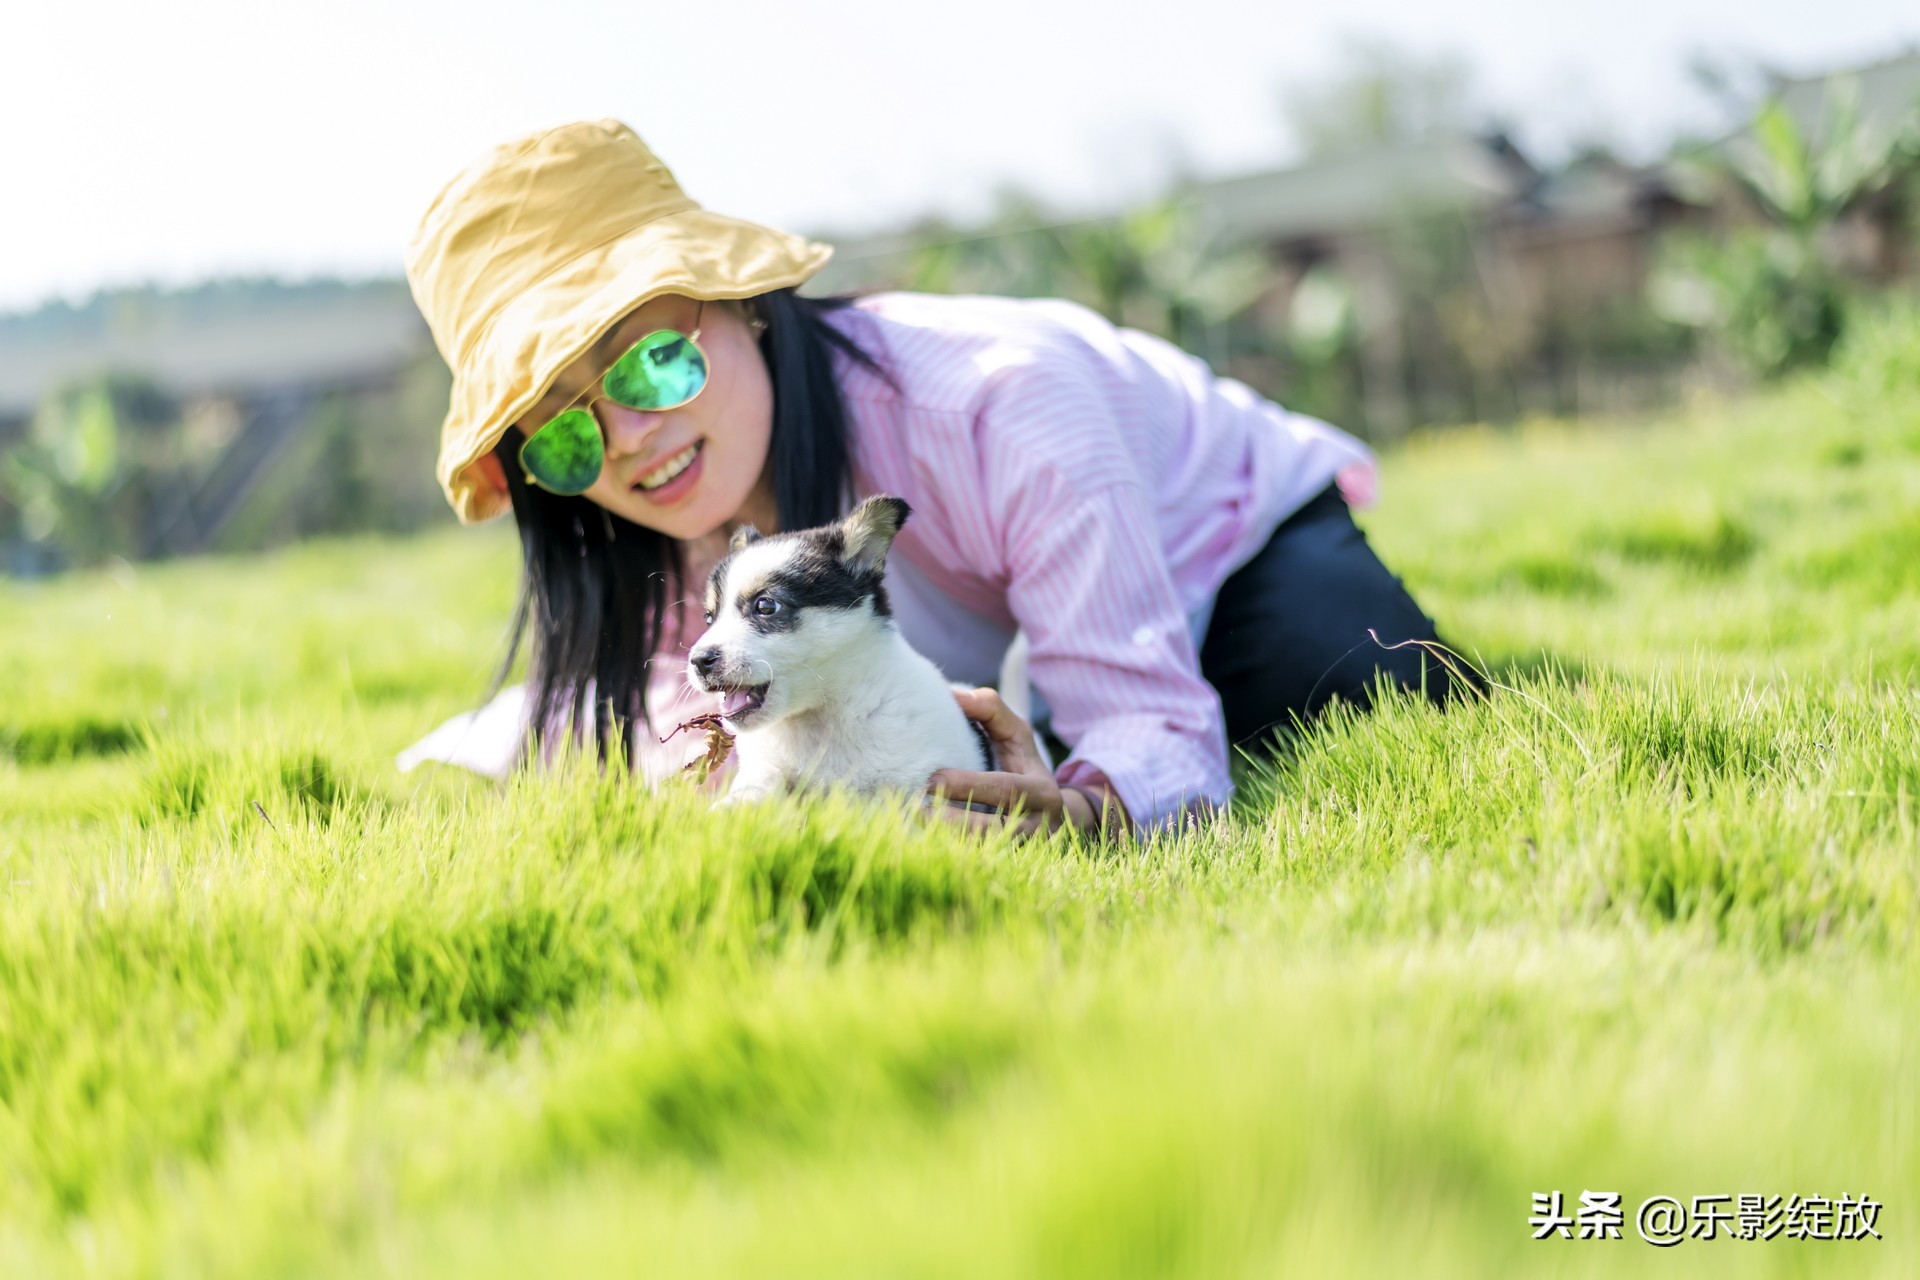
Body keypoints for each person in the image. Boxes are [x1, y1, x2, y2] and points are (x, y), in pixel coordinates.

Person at [402, 119, 1474, 839]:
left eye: (650, 363)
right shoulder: (670, 526)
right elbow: (684, 732)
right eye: (564, 438)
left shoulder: (999, 404)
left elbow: (1152, 727)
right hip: (970, 623)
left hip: (1227, 541)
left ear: (742, 301)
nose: (630, 440)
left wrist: (1083, 808)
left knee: (1344, 688)